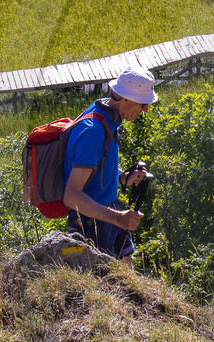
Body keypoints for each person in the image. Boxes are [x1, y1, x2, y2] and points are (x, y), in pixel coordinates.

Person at [62, 66, 156, 262]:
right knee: (108, 285)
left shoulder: (109, 117)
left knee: (127, 277)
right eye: (143, 104)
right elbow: (71, 196)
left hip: (109, 211)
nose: (146, 109)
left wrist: (123, 176)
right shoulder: (94, 131)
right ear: (126, 99)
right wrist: (117, 218)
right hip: (91, 223)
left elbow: (98, 165)